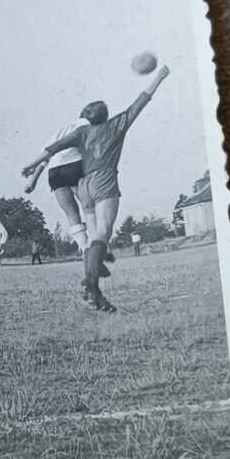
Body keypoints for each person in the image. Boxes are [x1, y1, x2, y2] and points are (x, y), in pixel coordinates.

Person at [22, 65, 170, 312]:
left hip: (84, 183)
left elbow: (53, 149)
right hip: (104, 181)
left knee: (93, 237)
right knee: (103, 233)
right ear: (105, 115)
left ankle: (94, 276)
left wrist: (30, 165)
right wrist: (159, 76)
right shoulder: (116, 125)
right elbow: (141, 102)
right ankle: (91, 284)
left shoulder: (81, 131)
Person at [24, 115, 90, 253]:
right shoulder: (86, 125)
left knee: (71, 213)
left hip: (54, 171)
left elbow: (45, 157)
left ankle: (84, 247)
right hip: (75, 165)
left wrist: (33, 180)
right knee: (89, 208)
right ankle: (97, 244)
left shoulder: (59, 132)